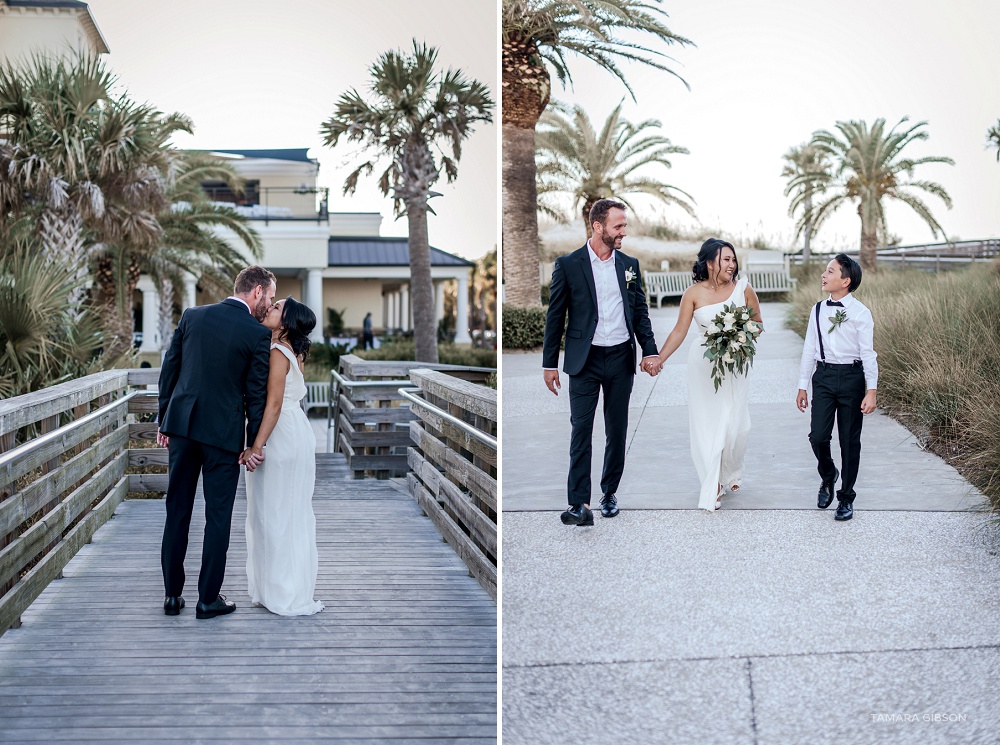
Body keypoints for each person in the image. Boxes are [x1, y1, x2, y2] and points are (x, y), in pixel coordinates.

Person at [157, 266, 274, 619]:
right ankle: (208, 599)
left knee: (177, 510)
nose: (269, 304)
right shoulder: (256, 335)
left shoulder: (193, 316)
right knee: (218, 516)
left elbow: (170, 370)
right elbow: (255, 397)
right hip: (222, 437)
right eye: (269, 297)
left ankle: (172, 596)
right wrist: (255, 444)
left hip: (182, 427)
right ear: (255, 293)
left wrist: (165, 420)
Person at [542, 198, 661, 526]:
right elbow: (556, 316)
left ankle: (609, 493)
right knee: (580, 429)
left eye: (624, 225)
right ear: (598, 227)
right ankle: (579, 503)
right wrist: (549, 363)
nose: (624, 231)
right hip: (585, 359)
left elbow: (639, 312)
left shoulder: (629, 265)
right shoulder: (568, 264)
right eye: (618, 226)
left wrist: (649, 351)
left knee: (616, 428)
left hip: (621, 356)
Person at [654, 239, 762, 511]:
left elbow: (758, 324)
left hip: (734, 363)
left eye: (733, 259)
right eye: (726, 259)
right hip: (703, 365)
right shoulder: (692, 293)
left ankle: (731, 471)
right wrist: (659, 358)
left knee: (739, 425)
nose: (731, 264)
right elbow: (679, 331)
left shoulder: (743, 289)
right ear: (709, 262)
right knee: (708, 423)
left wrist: (738, 334)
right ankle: (712, 482)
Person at [241, 297, 324, 616]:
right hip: (297, 431)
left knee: (274, 512)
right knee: (289, 511)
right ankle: (283, 588)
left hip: (280, 435)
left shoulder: (278, 353)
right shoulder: (295, 351)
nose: (269, 309)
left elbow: (273, 405)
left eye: (276, 308)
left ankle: (281, 592)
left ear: (286, 323)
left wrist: (256, 446)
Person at [796, 254, 878, 522]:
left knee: (849, 441)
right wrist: (802, 385)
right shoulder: (817, 309)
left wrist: (871, 390)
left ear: (846, 280)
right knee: (818, 436)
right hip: (824, 376)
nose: (824, 275)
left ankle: (846, 497)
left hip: (852, 378)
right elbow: (809, 348)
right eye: (825, 271)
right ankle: (828, 475)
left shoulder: (861, 313)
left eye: (830, 272)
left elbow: (868, 354)